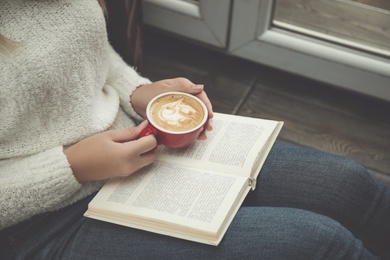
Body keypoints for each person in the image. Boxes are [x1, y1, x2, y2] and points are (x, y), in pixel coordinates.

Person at [1, 0, 389, 259]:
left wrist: (136, 91)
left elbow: (82, 52)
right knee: (318, 243)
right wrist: (73, 167)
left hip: (133, 142)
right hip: (42, 225)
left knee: (348, 182)